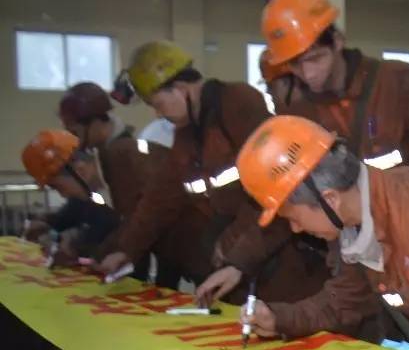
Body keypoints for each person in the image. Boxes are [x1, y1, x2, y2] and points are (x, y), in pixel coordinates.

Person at [236, 115, 409, 350]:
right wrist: (279, 318)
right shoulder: (354, 223)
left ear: (329, 200)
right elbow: (346, 300)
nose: (295, 229)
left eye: (292, 217)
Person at [95, 42, 327, 307]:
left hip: (278, 257)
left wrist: (234, 245)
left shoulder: (237, 104)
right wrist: (126, 250)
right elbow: (160, 198)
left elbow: (276, 188)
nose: (158, 114)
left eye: (158, 104)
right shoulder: (188, 134)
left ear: (180, 89)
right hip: (241, 260)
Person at [260, 0, 409, 174]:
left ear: (337, 41)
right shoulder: (297, 112)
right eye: (296, 65)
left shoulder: (398, 82)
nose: (308, 74)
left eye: (315, 59)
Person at [57, 82, 191, 286]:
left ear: (94, 122)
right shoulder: (113, 151)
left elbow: (133, 216)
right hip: (163, 243)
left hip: (174, 242)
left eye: (76, 132)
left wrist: (114, 253)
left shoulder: (119, 154)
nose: (77, 143)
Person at [20, 130, 118, 264]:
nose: (62, 195)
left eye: (57, 187)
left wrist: (75, 246)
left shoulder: (120, 187)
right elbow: (71, 213)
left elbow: (109, 230)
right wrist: (48, 224)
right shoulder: (86, 192)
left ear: (80, 170)